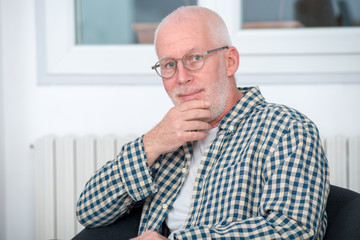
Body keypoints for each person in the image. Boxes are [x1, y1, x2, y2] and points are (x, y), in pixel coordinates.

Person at [76, 6, 330, 240]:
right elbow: (89, 211)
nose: (181, 77)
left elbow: (292, 231)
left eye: (195, 58)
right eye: (168, 64)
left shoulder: (288, 129)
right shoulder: (168, 136)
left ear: (230, 61)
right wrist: (151, 144)